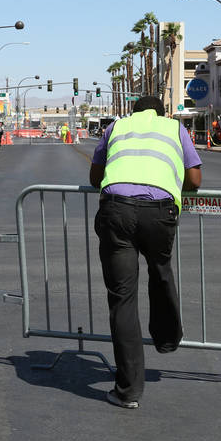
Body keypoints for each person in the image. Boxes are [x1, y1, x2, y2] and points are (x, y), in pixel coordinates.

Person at [88, 96, 202, 409]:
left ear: (133, 113)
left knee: (122, 298)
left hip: (117, 211)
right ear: (161, 114)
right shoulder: (174, 128)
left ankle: (128, 392)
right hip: (159, 212)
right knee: (160, 269)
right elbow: (194, 179)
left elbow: (95, 178)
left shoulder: (116, 126)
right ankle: (167, 337)